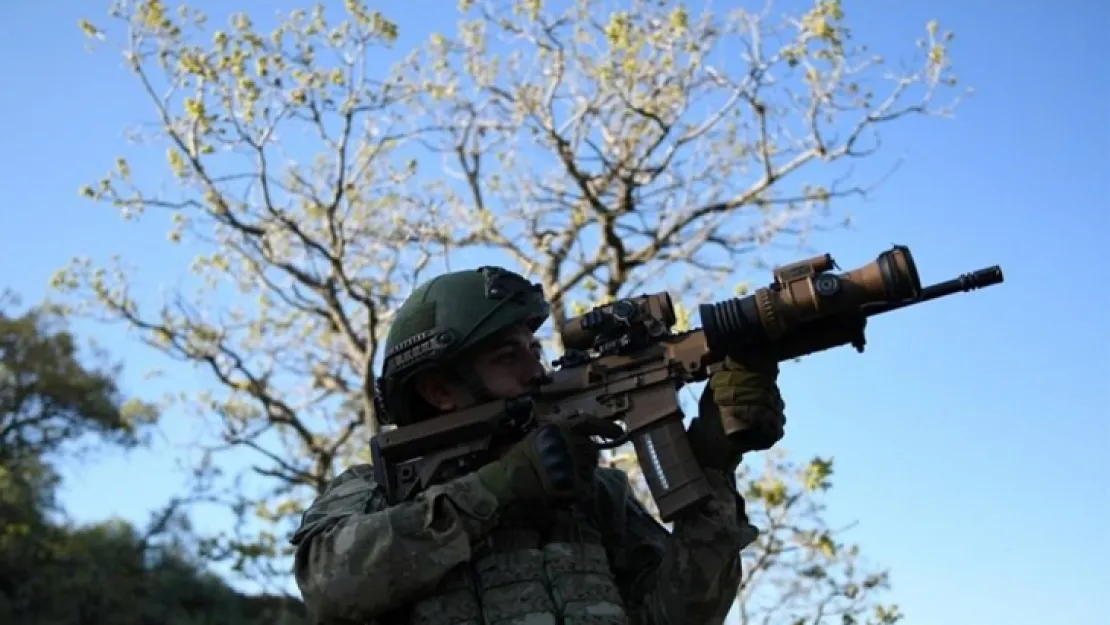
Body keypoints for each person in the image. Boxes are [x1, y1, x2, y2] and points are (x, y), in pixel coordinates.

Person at [289, 266, 787, 625]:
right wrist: (496, 489)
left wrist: (715, 466)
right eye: (508, 357)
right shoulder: (376, 491)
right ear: (439, 391)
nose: (536, 372)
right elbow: (331, 586)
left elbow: (683, 616)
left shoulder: (596, 497)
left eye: (535, 351)